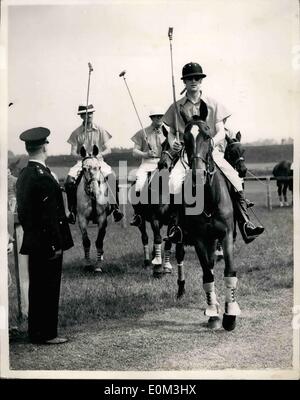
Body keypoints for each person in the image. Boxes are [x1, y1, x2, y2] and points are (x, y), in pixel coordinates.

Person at [163, 62, 264, 244]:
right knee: (173, 183)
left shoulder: (213, 103)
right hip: (187, 154)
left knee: (235, 178)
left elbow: (221, 131)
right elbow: (170, 133)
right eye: (189, 78)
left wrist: (210, 143)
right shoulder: (176, 106)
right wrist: (174, 143)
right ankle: (175, 226)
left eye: (197, 78)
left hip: (211, 152)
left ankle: (245, 223)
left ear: (201, 81)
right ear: (184, 82)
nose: (193, 81)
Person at [16, 127, 74, 345]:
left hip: (34, 241)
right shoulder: (42, 176)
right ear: (44, 147)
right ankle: (48, 334)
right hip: (47, 242)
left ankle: (36, 331)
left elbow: (26, 213)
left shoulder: (25, 174)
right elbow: (48, 216)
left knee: (37, 288)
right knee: (48, 288)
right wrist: (53, 244)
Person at [65, 104, 123, 224]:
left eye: (91, 113)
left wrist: (98, 156)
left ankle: (116, 208)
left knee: (112, 177)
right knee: (69, 181)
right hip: (82, 162)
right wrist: (83, 157)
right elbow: (72, 152)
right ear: (81, 116)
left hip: (98, 161)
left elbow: (108, 149)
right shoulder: (76, 133)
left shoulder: (101, 130)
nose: (89, 116)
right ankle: (72, 211)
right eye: (86, 114)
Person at [130, 108, 168, 226]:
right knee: (139, 185)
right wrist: (145, 154)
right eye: (157, 116)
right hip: (147, 163)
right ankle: (138, 214)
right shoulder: (142, 133)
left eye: (161, 116)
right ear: (151, 118)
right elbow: (134, 152)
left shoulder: (168, 132)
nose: (159, 118)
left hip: (164, 164)